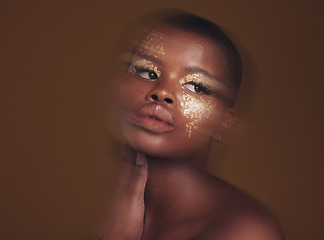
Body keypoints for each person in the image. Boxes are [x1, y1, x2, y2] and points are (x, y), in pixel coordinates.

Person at [103, 11, 284, 240]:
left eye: (196, 87)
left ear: (223, 124)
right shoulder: (123, 217)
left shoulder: (247, 232)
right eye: (147, 71)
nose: (162, 92)